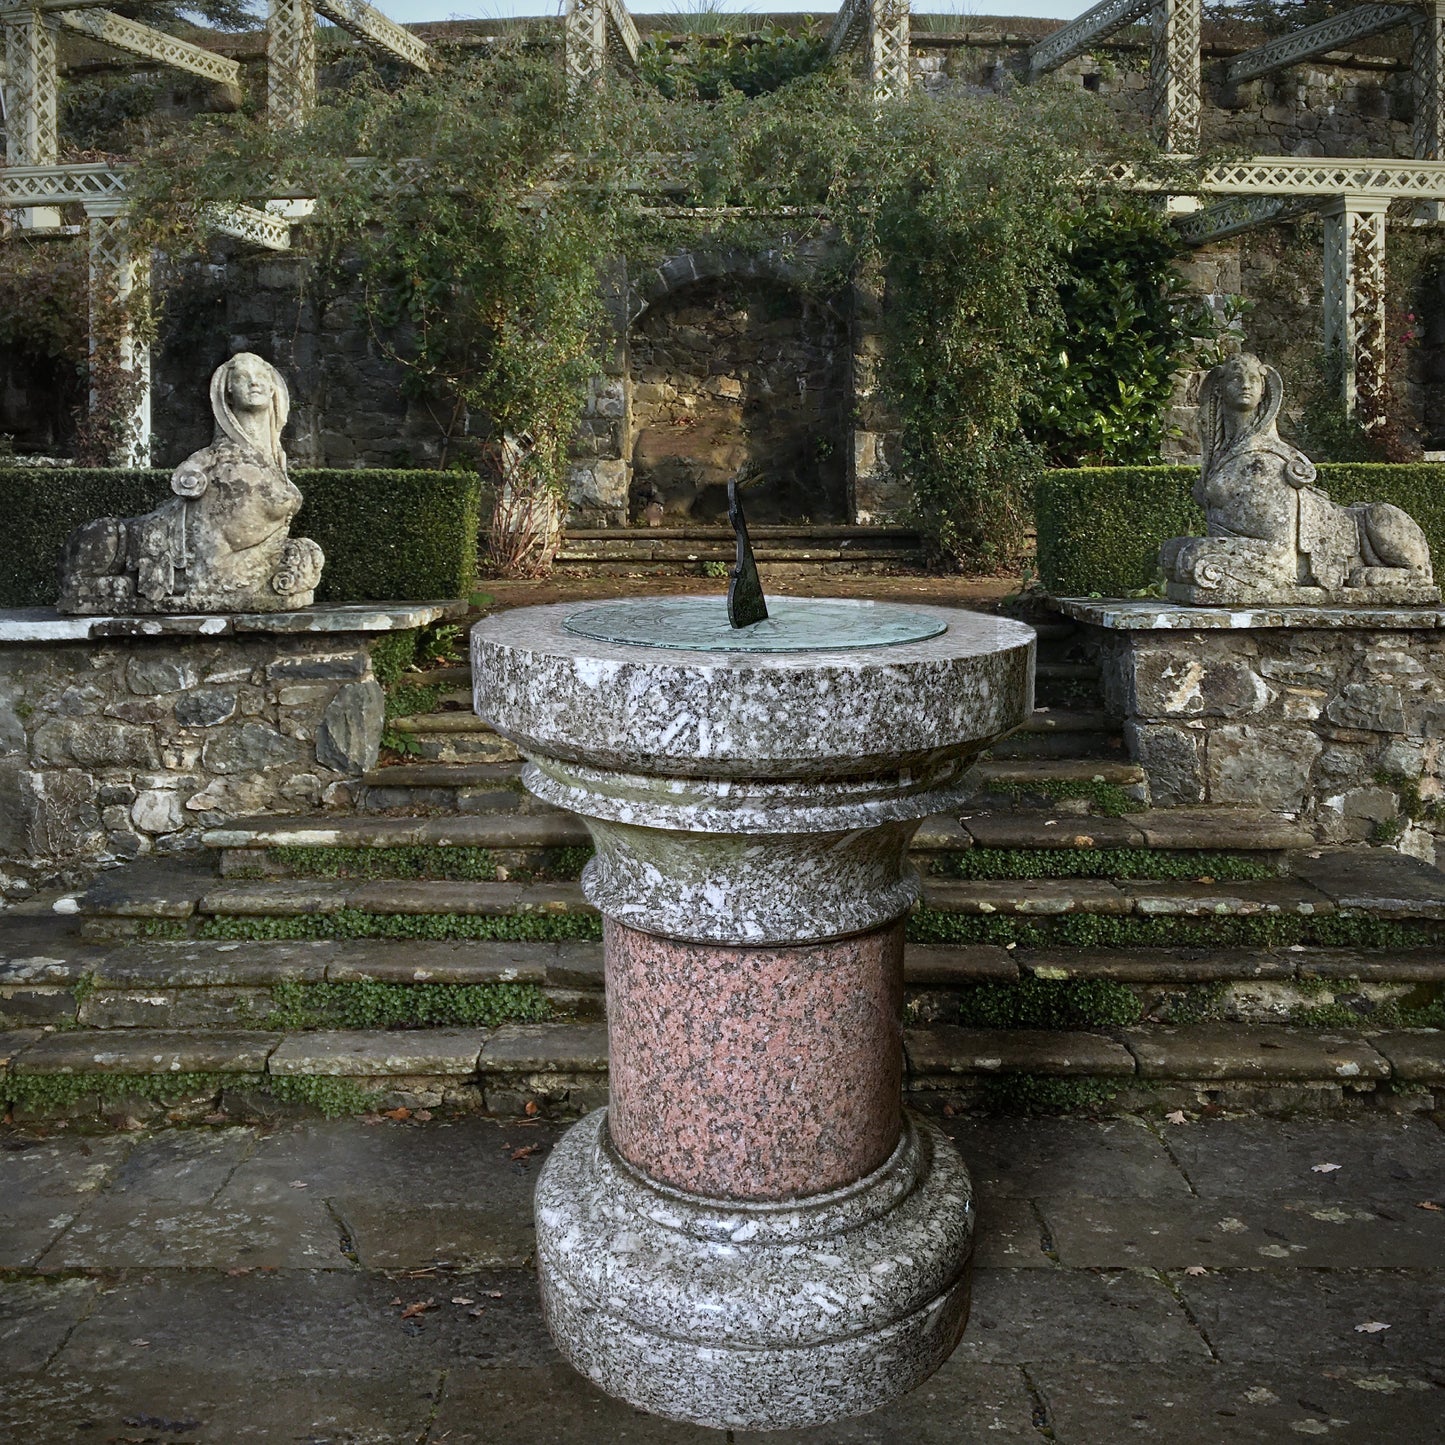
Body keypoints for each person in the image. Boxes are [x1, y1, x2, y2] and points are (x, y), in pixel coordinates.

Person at [59, 353, 324, 614]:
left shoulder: (275, 465)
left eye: (260, 376)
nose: (254, 382)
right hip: (210, 566)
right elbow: (213, 567)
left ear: (272, 388)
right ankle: (86, 582)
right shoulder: (213, 465)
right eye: (243, 377)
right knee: (106, 533)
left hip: (240, 561)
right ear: (228, 391)